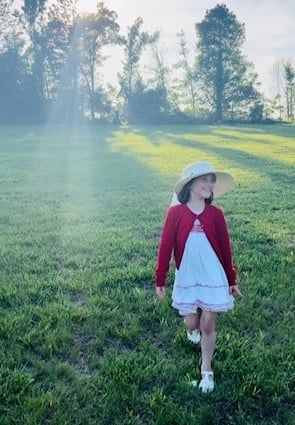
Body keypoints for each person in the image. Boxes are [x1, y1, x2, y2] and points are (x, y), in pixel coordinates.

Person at [155, 161, 242, 393]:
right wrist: (160, 278)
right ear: (190, 184)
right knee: (193, 321)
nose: (209, 184)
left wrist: (231, 279)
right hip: (189, 274)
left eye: (212, 180)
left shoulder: (216, 214)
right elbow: (166, 245)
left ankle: (206, 370)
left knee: (207, 323)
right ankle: (190, 330)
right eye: (204, 179)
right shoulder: (175, 213)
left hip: (213, 274)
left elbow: (225, 247)